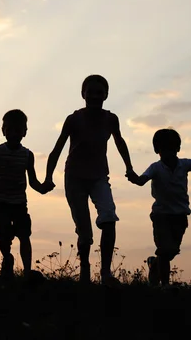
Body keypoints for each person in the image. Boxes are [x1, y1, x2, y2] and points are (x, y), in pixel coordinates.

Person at [44, 75, 134, 285]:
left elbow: (120, 142)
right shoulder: (74, 119)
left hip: (99, 178)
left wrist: (129, 168)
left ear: (106, 95)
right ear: (83, 94)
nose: (95, 96)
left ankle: (105, 273)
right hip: (75, 179)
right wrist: (48, 177)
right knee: (85, 236)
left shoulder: (111, 119)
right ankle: (84, 266)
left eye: (99, 92)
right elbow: (57, 149)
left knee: (109, 218)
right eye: (90, 92)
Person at [127, 128, 191, 286]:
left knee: (171, 251)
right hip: (161, 215)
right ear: (157, 150)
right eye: (164, 149)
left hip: (180, 215)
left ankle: (154, 264)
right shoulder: (155, 168)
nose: (168, 153)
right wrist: (133, 177)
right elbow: (141, 181)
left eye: (171, 149)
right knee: (165, 250)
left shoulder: (185, 164)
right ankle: (164, 285)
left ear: (178, 149)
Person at [0, 110, 53, 282]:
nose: (14, 134)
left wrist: (43, 188)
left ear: (24, 132)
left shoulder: (27, 155)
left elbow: (32, 181)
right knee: (4, 237)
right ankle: (7, 259)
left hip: (18, 203)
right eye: (10, 130)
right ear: (3, 131)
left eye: (18, 130)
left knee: (24, 235)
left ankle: (26, 273)